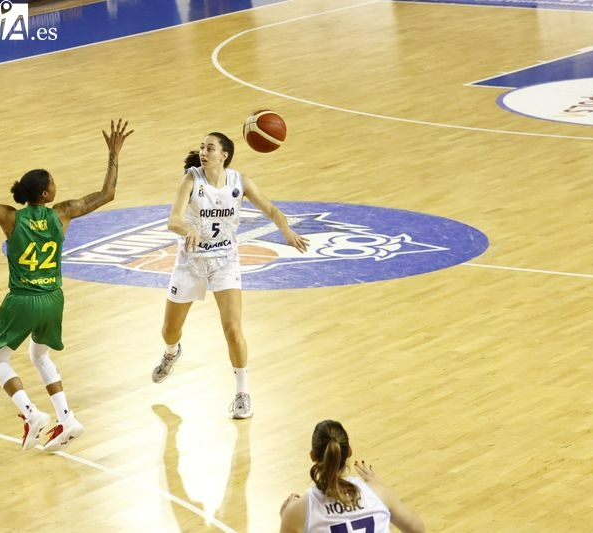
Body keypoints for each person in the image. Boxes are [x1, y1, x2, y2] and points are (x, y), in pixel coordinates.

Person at [0, 119, 133, 452]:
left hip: (23, 300)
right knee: (39, 355)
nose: (56, 184)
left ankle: (32, 415)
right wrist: (113, 153)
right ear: (45, 194)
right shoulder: (63, 214)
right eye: (53, 182)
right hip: (54, 298)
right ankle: (67, 418)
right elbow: (107, 194)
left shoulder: (10, 218)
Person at [151, 132, 309, 419]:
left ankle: (242, 393)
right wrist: (188, 230)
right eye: (202, 147)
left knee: (233, 329)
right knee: (169, 330)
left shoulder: (240, 181)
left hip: (224, 261)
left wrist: (285, 229)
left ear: (224, 155)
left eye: (210, 148)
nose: (203, 151)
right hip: (191, 261)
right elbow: (173, 219)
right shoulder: (191, 180)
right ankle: (172, 352)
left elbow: (271, 208)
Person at [279, 420, 425, 533]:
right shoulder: (379, 494)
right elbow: (418, 530)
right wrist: (382, 488)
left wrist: (286, 515)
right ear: (349, 452)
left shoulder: (298, 511)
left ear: (313, 456)